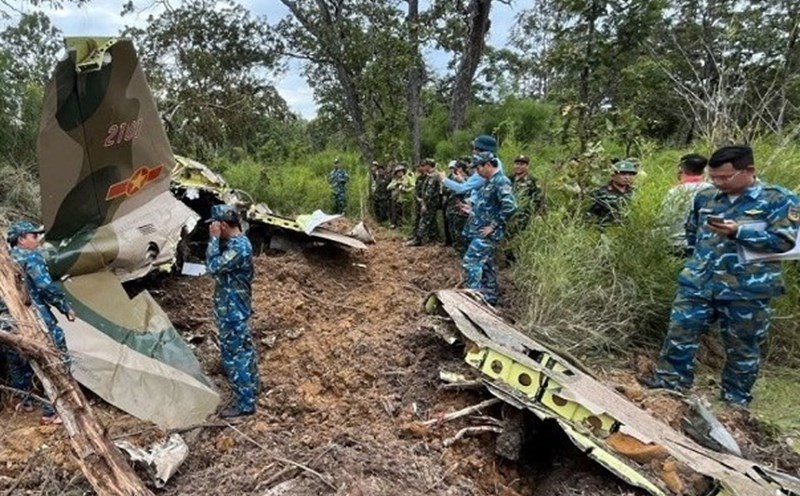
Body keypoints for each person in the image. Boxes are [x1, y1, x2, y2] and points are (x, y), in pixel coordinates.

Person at [640, 145, 800, 406]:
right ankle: (671, 383)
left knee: (743, 346)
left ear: (749, 171)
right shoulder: (706, 197)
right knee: (680, 332)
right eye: (714, 177)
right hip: (699, 282)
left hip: (747, 288)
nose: (718, 182)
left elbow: (785, 242)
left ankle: (735, 397)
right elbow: (692, 232)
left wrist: (740, 232)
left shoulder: (779, 199)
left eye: (725, 177)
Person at [2, 220, 76, 424]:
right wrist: (64, 306)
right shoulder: (31, 257)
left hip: (7, 321)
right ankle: (52, 411)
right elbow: (45, 287)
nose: (37, 239)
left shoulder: (5, 260)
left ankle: (22, 401)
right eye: (33, 236)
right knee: (56, 357)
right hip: (33, 318)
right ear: (21, 239)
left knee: (17, 360)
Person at [206, 205, 260, 418]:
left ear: (224, 225)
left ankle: (245, 404)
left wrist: (213, 240)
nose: (212, 228)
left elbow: (213, 266)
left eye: (215, 225)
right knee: (245, 349)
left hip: (232, 311)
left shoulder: (238, 249)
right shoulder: (239, 243)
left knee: (234, 356)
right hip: (235, 308)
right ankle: (253, 387)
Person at [462, 152, 517, 305]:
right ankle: (490, 296)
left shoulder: (501, 181)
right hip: (479, 230)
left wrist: (493, 226)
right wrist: (471, 209)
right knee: (487, 265)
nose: (476, 172)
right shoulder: (489, 181)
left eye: (478, 168)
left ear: (487, 165)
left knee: (470, 262)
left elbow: (510, 206)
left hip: (486, 234)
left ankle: (473, 298)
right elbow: (489, 206)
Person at [660, 153, 711, 255]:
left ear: (680, 169)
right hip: (704, 246)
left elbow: (665, 219)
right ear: (704, 170)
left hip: (677, 245)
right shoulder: (712, 190)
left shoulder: (675, 192)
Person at [587, 159, 637, 225]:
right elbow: (589, 214)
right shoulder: (600, 193)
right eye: (623, 174)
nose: (627, 177)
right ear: (613, 175)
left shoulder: (635, 192)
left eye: (630, 174)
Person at [408, 158, 441, 246]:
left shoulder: (433, 176)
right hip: (431, 203)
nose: (423, 167)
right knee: (432, 221)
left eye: (425, 165)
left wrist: (424, 204)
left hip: (430, 203)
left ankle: (418, 239)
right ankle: (434, 238)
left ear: (428, 166)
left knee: (423, 221)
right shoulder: (432, 175)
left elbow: (428, 193)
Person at [508, 154, 544, 234]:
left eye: (522, 164)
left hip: (525, 215)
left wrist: (539, 214)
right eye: (517, 164)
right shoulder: (509, 179)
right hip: (510, 213)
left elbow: (539, 198)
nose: (519, 166)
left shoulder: (533, 181)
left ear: (527, 166)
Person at [443, 160, 470, 255]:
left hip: (463, 209)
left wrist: (461, 181)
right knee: (453, 229)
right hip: (453, 206)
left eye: (456, 168)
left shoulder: (467, 179)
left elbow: (466, 191)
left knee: (460, 231)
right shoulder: (453, 178)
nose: (454, 170)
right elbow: (446, 189)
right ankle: (457, 248)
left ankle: (462, 250)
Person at [387, 164, 412, 228]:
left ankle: (403, 224)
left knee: (403, 212)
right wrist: (396, 184)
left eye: (401, 171)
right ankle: (394, 223)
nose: (400, 173)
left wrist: (406, 190)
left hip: (404, 198)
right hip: (395, 198)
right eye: (398, 172)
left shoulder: (407, 179)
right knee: (394, 211)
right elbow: (388, 187)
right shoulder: (394, 180)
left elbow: (412, 187)